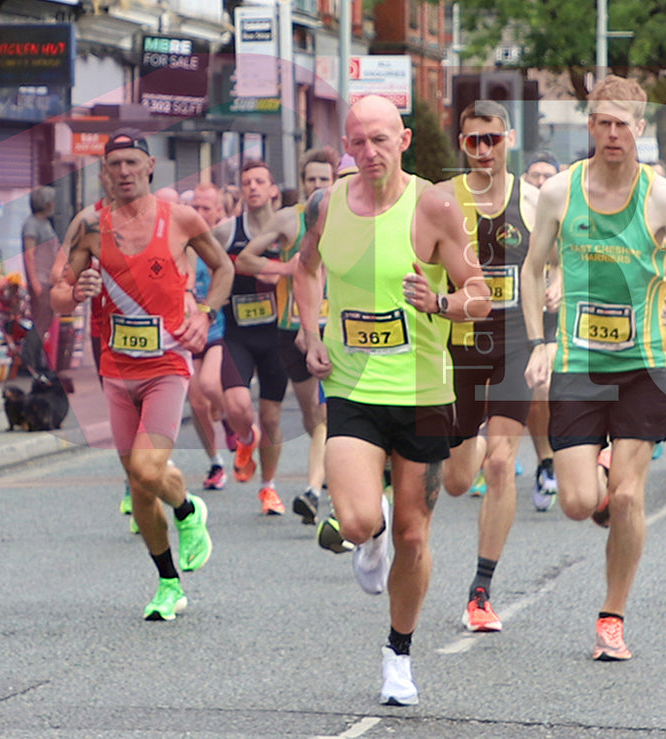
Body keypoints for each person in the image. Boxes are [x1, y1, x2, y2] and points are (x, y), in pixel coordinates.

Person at [293, 95, 489, 706]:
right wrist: (308, 330)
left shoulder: (433, 205)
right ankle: (366, 534)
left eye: (380, 140)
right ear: (344, 147)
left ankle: (397, 655)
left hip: (423, 392)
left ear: (403, 140)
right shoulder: (325, 205)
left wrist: (440, 304)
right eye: (358, 142)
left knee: (414, 534)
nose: (369, 152)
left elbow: (479, 293)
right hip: (352, 387)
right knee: (356, 520)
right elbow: (303, 270)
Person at [521, 75, 666, 662]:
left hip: (642, 363)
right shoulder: (560, 193)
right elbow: (534, 270)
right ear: (590, 125)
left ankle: (613, 616)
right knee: (580, 502)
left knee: (628, 498)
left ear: (639, 127)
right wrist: (538, 342)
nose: (613, 132)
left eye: (623, 123)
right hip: (580, 362)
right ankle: (598, 472)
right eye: (602, 122)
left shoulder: (662, 198)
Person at [52, 129, 232, 619]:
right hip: (116, 368)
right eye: (115, 164)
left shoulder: (182, 219)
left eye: (133, 163)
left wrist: (206, 314)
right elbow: (58, 292)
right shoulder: (89, 225)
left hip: (167, 365)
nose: (124, 172)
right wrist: (78, 289)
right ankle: (168, 584)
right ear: (104, 171)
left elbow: (223, 270)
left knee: (149, 469)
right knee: (137, 483)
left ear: (150, 166)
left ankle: (189, 510)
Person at [430, 100, 554, 632]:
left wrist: (557, 285)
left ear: (509, 141)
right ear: (462, 144)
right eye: (473, 141)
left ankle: (481, 591)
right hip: (457, 345)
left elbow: (568, 256)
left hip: (512, 344)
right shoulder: (439, 201)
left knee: (502, 465)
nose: (483, 151)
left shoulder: (533, 199)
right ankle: (467, 446)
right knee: (458, 480)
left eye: (493, 140)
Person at [234, 149, 338, 523]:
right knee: (313, 416)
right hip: (292, 331)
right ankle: (327, 470)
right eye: (310, 179)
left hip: (335, 329)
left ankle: (317, 486)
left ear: (335, 181)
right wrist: (286, 267)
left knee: (328, 414)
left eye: (323, 179)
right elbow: (245, 259)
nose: (315, 185)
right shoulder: (287, 220)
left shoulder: (349, 216)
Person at [213, 159, 293, 515]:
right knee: (237, 405)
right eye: (246, 182)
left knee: (272, 417)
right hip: (237, 333)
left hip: (276, 335)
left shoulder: (289, 230)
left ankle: (268, 487)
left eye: (260, 181)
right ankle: (245, 438)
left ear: (274, 189)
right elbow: (198, 256)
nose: (253, 187)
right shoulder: (226, 232)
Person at [185, 182, 230, 490]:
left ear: (218, 212)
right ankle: (216, 461)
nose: (200, 213)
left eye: (206, 208)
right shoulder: (182, 242)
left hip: (215, 326)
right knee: (196, 401)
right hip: (187, 330)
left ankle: (229, 421)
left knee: (210, 385)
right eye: (195, 207)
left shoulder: (223, 241)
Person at [21, 187, 61, 367]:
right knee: (41, 322)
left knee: (45, 321)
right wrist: (34, 281)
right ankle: (29, 360)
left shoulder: (44, 223)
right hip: (41, 281)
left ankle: (36, 360)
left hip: (48, 280)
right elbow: (29, 255)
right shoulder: (32, 224)